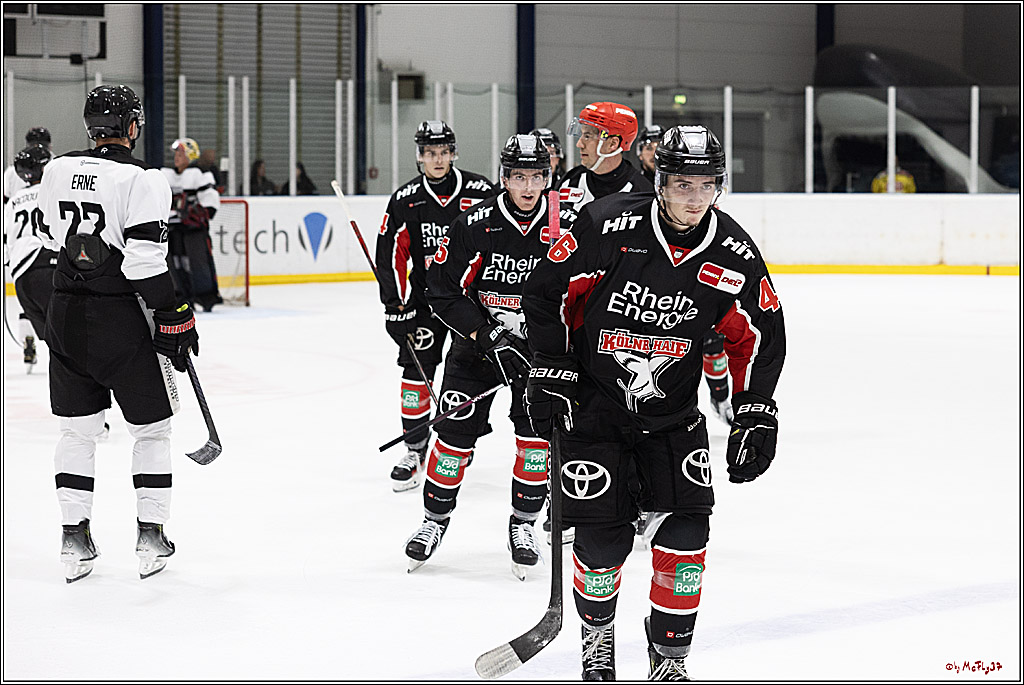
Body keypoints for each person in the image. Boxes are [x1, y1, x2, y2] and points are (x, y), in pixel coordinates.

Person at [522, 124, 785, 679]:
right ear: (660, 181)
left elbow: (761, 331)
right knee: (602, 542)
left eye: (706, 185)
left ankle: (669, 655)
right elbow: (545, 291)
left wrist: (756, 408)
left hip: (672, 418)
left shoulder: (734, 253)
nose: (694, 198)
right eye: (682, 184)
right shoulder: (605, 224)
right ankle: (597, 637)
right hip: (594, 410)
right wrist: (547, 371)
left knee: (688, 537)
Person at [36, 84, 199, 583]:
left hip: (63, 314)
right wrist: (174, 312)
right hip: (119, 318)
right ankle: (150, 535)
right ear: (132, 127)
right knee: (151, 430)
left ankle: (73, 538)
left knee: (76, 432)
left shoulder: (56, 169)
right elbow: (146, 261)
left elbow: (48, 237)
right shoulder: (142, 179)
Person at [404, 133, 553, 580]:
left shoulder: (565, 226)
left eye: (537, 177)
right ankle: (433, 519)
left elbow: (580, 292)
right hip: (477, 351)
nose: (528, 188)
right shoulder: (476, 223)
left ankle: (524, 524)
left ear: (548, 178)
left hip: (538, 356)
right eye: (519, 177)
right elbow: (442, 289)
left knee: (536, 442)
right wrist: (487, 334)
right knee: (452, 435)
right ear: (504, 177)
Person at [374, 120, 496, 492]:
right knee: (416, 372)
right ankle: (414, 448)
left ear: (453, 153)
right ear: (419, 156)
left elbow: (500, 244)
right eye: (430, 153)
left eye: (443, 152)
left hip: (469, 304)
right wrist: (395, 305)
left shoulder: (479, 190)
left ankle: (460, 438)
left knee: (465, 374)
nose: (438, 159)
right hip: (425, 302)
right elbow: (392, 253)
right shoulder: (406, 198)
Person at [3, 144, 57, 372]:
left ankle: (30, 345)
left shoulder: (14, 200)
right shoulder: (52, 191)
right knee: (64, 332)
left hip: (21, 274)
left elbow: (7, 238)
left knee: (47, 331)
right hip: (47, 261)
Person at [560, 101, 652, 217]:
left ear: (612, 144)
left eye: (587, 136)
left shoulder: (642, 194)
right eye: (582, 135)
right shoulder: (570, 181)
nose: (579, 144)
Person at [162, 137, 223, 311]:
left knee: (198, 263)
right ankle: (181, 296)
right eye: (176, 153)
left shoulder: (200, 175)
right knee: (175, 263)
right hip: (173, 230)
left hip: (194, 232)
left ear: (190, 155)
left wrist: (191, 214)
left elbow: (210, 207)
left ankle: (206, 297)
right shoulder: (165, 175)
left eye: (180, 153)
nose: (176, 157)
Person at [4, 127, 52, 204]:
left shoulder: (55, 167)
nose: (37, 149)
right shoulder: (12, 172)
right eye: (34, 145)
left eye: (41, 145)